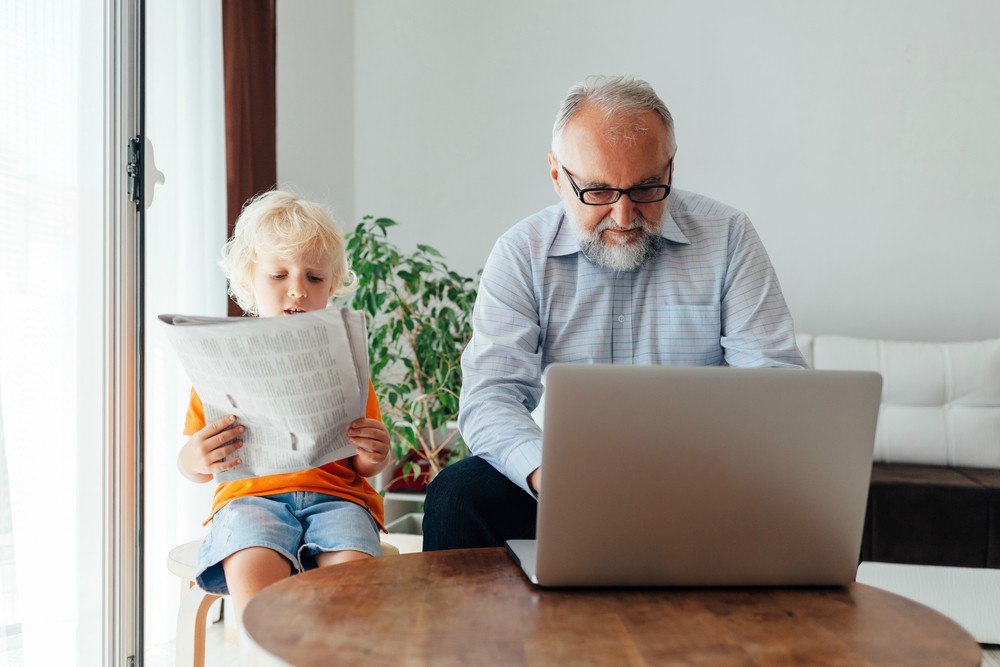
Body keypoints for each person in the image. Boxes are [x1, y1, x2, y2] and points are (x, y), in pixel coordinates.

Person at [422, 75, 806, 550]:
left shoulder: (728, 237)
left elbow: (775, 382)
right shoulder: (521, 252)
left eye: (647, 188)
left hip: (701, 473)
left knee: (817, 511)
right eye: (599, 191)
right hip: (562, 474)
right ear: (557, 175)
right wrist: (550, 475)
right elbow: (490, 397)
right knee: (456, 496)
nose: (624, 217)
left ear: (670, 167)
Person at [177, 190, 391, 620]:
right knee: (258, 591)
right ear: (249, 283)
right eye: (278, 275)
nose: (297, 290)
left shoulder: (345, 361)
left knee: (351, 595)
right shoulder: (223, 361)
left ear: (332, 286)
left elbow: (365, 465)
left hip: (337, 499)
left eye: (314, 278)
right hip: (251, 499)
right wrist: (194, 458)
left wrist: (374, 454)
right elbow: (194, 465)